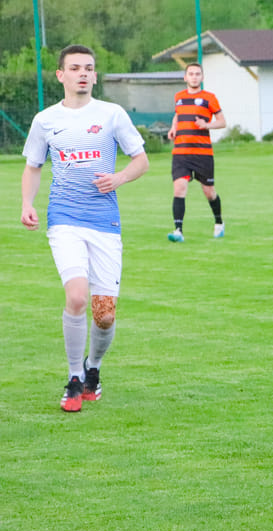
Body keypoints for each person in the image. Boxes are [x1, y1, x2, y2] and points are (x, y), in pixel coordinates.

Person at [21, 44, 149, 412]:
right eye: (74, 67)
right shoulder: (45, 120)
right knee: (76, 296)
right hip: (64, 219)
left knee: (104, 313)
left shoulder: (112, 114)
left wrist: (120, 177)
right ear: (60, 75)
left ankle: (94, 369)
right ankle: (74, 378)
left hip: (105, 223)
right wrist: (28, 204)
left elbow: (141, 160)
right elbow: (33, 166)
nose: (82, 73)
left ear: (95, 75)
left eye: (88, 68)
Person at [166, 62, 226, 242]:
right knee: (179, 188)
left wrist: (207, 125)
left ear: (202, 77)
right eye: (191, 74)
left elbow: (222, 121)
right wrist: (173, 127)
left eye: (197, 74)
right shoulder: (179, 97)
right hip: (181, 152)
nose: (194, 77)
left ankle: (219, 222)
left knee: (209, 191)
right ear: (185, 77)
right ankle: (178, 231)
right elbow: (178, 114)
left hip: (202, 153)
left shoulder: (209, 98)